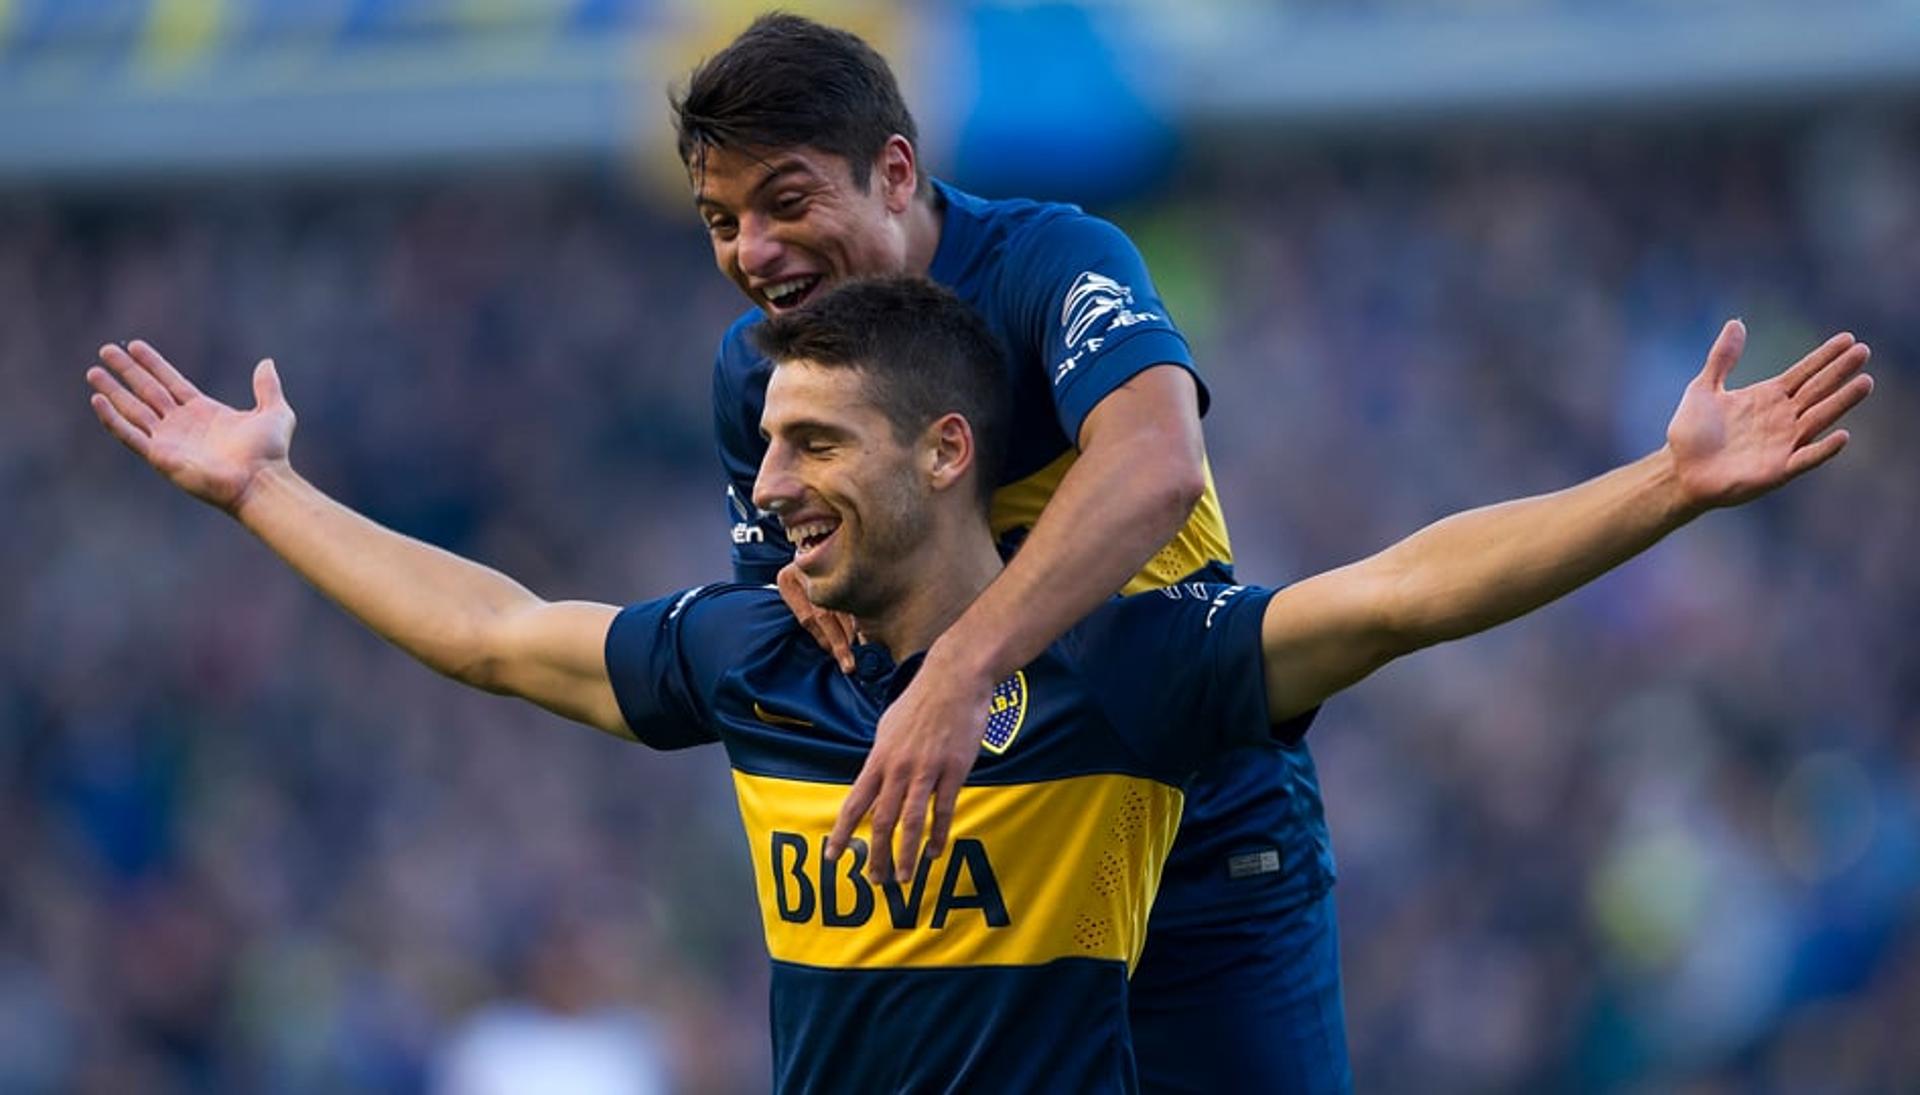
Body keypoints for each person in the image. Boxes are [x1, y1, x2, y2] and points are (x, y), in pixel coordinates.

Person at [86, 275, 1870, 1092]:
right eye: (763, 441)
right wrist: (266, 488)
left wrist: (1663, 486)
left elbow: (1395, 597)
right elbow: (487, 630)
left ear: (949, 454)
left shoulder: (1126, 672)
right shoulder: (747, 653)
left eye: (809, 442)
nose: (765, 482)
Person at [672, 17, 1343, 1085]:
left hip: (1204, 845)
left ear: (895, 172)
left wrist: (963, 670)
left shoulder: (1050, 260)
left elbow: (1156, 467)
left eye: (787, 203)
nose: (752, 252)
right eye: (722, 220)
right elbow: (795, 636)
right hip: (998, 878)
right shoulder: (756, 371)